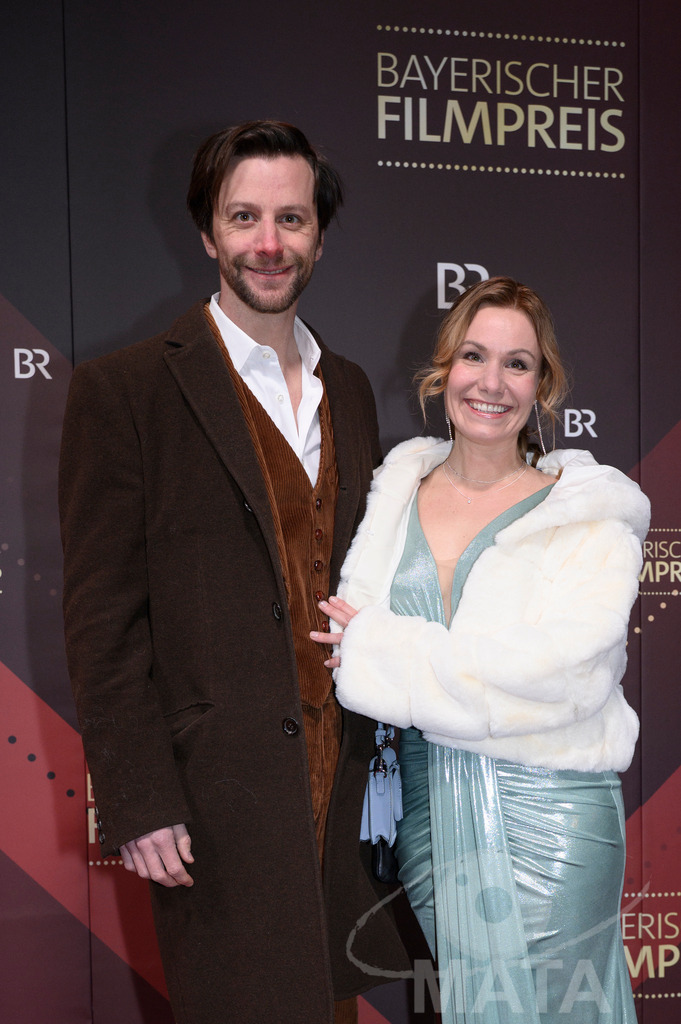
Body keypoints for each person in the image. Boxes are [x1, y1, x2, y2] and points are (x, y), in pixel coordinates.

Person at [59, 120, 408, 1024]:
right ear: (207, 232)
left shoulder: (356, 388)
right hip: (214, 799)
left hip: (344, 795)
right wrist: (137, 798)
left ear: (319, 235)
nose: (268, 243)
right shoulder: (125, 391)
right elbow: (103, 619)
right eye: (243, 217)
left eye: (290, 220)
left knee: (333, 1006)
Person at [312, 276, 649, 1022]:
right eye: (473, 356)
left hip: (554, 813)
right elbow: (346, 649)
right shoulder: (392, 492)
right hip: (432, 813)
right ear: (443, 369)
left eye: (517, 363)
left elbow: (562, 676)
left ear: (542, 385)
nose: (490, 383)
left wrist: (382, 653)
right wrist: (376, 659)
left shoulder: (587, 513)